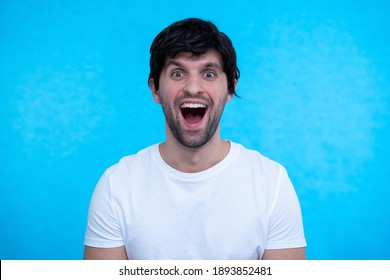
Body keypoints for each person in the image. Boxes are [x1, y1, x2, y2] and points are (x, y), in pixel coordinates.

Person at [84, 18, 306, 260]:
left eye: (209, 74)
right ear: (155, 89)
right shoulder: (116, 186)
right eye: (178, 73)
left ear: (230, 89)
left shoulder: (272, 183)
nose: (193, 87)